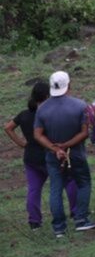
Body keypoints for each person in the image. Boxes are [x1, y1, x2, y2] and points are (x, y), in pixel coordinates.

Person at [5, 82, 77, 230]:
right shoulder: (48, 115)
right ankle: (75, 212)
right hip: (50, 155)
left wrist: (21, 143)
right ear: (47, 96)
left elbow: (8, 127)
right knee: (68, 182)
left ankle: (34, 221)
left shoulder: (24, 115)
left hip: (31, 157)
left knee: (34, 189)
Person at [34, 71, 95, 236]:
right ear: (69, 85)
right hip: (76, 153)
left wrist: (55, 149)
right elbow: (84, 132)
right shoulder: (80, 105)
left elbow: (37, 134)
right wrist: (66, 146)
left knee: (56, 189)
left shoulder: (42, 109)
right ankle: (81, 219)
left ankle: (59, 227)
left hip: (53, 156)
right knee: (83, 183)